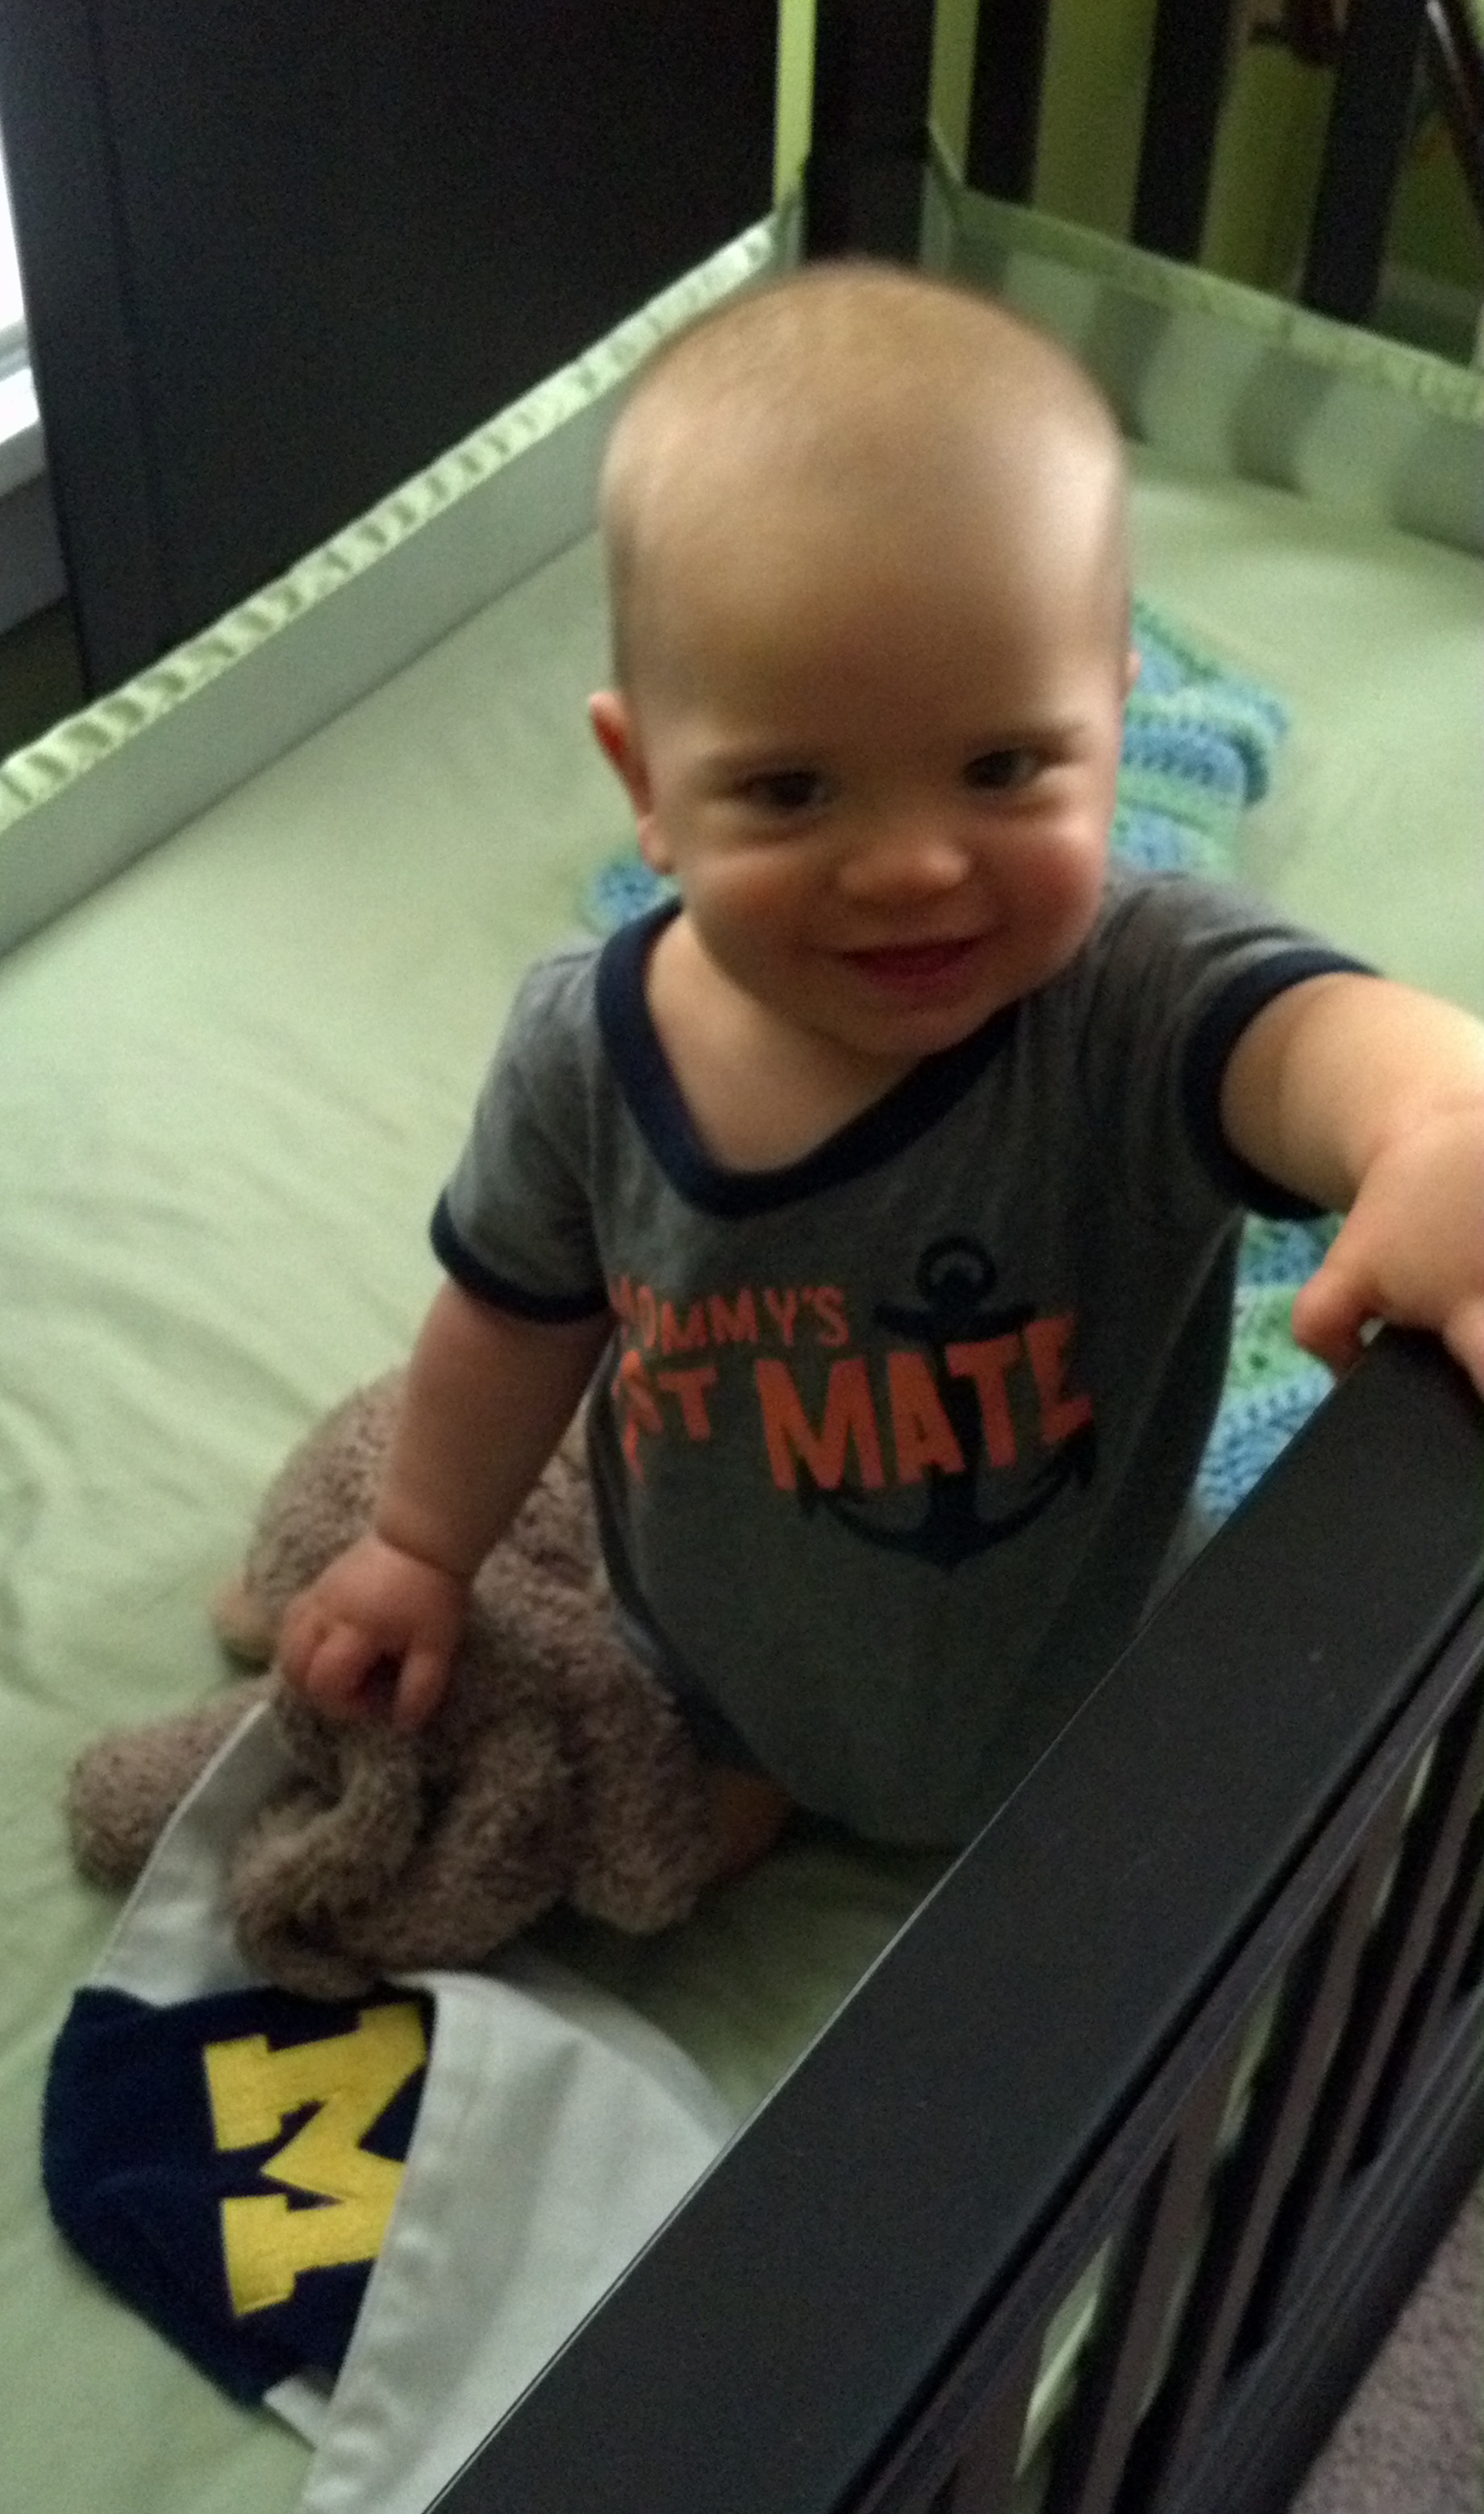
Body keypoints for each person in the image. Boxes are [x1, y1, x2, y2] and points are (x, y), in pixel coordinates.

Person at [278, 261, 1484, 1870]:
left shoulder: (1128, 999)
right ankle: (768, 1766)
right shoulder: (583, 1055)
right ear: (647, 785)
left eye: (1001, 766)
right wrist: (422, 1551)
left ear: (1110, 727)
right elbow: (513, 1321)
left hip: (1086, 1677)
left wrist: (1439, 1119)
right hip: (715, 1666)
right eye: (791, 790)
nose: (914, 867)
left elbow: (1320, 1045)